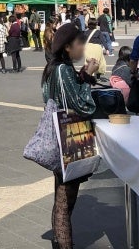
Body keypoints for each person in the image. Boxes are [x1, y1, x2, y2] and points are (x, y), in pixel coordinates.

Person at [42, 23, 100, 249]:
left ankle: (59, 241)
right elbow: (82, 106)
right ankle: (63, 244)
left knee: (62, 196)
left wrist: (84, 75)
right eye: (79, 44)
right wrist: (88, 77)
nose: (83, 48)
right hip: (69, 139)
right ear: (67, 47)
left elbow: (64, 95)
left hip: (59, 136)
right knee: (66, 200)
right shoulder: (62, 70)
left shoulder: (54, 68)